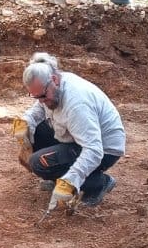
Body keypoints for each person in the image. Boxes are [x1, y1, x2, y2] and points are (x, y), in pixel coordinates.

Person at [13, 52, 126, 210]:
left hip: (104, 150)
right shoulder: (53, 86)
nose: (41, 101)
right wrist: (25, 121)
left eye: (43, 96)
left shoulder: (77, 104)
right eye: (36, 97)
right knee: (36, 131)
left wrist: (71, 180)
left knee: (38, 163)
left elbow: (93, 150)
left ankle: (98, 183)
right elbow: (40, 108)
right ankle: (57, 176)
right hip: (78, 137)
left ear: (54, 80)